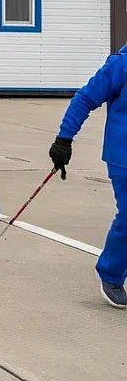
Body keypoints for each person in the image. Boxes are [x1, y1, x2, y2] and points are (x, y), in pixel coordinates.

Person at [49, 49, 127, 308]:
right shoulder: (121, 64)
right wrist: (64, 138)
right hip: (123, 155)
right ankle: (111, 274)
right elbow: (85, 99)